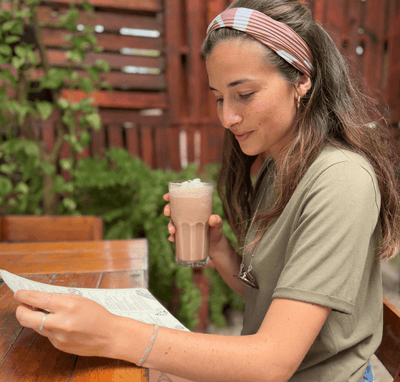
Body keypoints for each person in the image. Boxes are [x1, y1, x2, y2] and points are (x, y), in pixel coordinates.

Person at [14, 0, 400, 381]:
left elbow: (270, 363)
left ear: (301, 80)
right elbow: (267, 296)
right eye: (219, 97)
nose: (227, 117)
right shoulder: (276, 169)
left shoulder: (341, 179)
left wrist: (115, 334)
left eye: (244, 94)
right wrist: (220, 250)